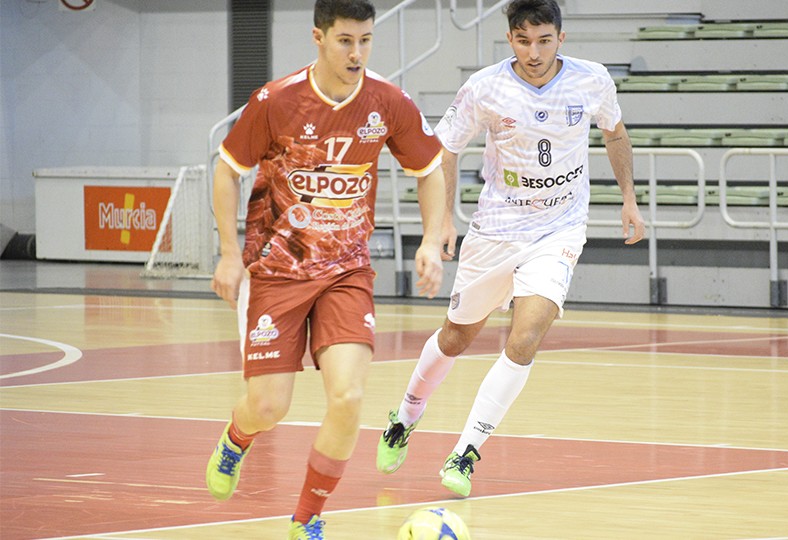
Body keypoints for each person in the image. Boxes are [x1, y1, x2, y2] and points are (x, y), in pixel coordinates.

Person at [375, 0, 645, 497]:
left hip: (560, 229)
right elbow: (445, 150)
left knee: (525, 339)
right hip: (497, 228)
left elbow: (615, 132)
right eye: (524, 41)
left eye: (544, 40)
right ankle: (405, 415)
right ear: (510, 39)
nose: (534, 51)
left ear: (561, 38)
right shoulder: (485, 86)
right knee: (456, 338)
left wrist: (629, 199)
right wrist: (441, 224)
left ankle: (465, 452)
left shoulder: (593, 80)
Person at [204, 1, 449, 538]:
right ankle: (237, 438)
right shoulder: (275, 100)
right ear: (318, 37)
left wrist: (432, 240)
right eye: (345, 41)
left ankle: (307, 518)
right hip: (277, 271)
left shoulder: (388, 101)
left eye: (365, 40)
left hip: (346, 273)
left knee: (349, 398)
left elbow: (429, 169)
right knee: (269, 407)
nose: (357, 53)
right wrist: (228, 252)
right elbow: (227, 172)